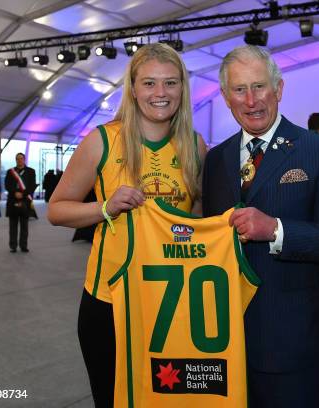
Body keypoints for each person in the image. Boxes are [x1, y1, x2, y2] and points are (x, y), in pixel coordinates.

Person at [47, 43, 207, 408]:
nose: (160, 93)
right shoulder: (102, 140)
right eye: (149, 83)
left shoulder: (195, 147)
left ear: (183, 88)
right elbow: (56, 210)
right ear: (133, 89)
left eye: (170, 83)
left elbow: (198, 221)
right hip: (109, 302)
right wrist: (105, 207)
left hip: (171, 303)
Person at [202, 45, 319, 408]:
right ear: (226, 97)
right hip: (226, 342)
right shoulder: (216, 159)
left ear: (279, 89)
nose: (252, 100)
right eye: (239, 90)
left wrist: (277, 230)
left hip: (295, 345)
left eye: (260, 87)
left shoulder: (317, 151)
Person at [5, 152, 37, 253]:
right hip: (12, 201)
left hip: (25, 201)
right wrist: (15, 193)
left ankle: (24, 246)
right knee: (13, 225)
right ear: (16, 160)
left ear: (24, 159)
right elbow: (7, 185)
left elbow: (32, 186)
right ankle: (13, 246)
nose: (19, 160)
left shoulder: (31, 171)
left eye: (21, 158)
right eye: (17, 159)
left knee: (24, 226)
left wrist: (22, 194)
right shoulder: (10, 172)